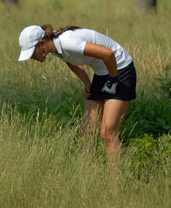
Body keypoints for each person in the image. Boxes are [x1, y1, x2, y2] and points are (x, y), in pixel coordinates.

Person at [18, 24, 136, 176]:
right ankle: (87, 177)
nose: (32, 58)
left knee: (108, 133)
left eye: (32, 54)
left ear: (41, 44)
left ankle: (116, 187)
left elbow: (108, 53)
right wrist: (87, 83)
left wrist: (113, 80)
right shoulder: (54, 46)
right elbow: (70, 60)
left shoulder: (67, 42)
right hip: (102, 72)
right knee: (88, 132)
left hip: (120, 69)